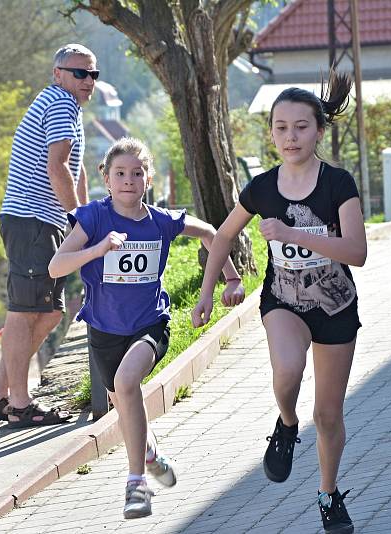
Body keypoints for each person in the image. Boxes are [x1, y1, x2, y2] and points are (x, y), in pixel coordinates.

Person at [192, 71, 366, 534]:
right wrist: (209, 291)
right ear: (271, 132)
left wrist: (292, 233)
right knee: (287, 372)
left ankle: (328, 495)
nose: (291, 137)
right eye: (281, 127)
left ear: (319, 131)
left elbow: (357, 252)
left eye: (301, 127)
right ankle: (285, 423)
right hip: (284, 300)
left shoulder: (337, 184)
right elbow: (223, 235)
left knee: (328, 415)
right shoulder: (262, 187)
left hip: (334, 306)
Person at [49, 137, 245, 518]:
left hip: (150, 325)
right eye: (120, 173)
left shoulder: (161, 221)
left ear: (148, 179)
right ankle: (150, 452)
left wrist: (232, 278)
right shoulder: (92, 218)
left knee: (126, 384)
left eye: (136, 174)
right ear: (106, 178)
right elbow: (56, 267)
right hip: (105, 331)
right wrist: (98, 249)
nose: (128, 181)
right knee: (122, 401)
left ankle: (136, 485)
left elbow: (211, 234)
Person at [0, 44, 97, 427]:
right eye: (80, 73)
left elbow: (75, 170)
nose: (88, 81)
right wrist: (78, 218)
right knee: (28, 313)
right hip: (33, 220)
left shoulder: (68, 107)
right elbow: (57, 167)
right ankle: (19, 404)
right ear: (57, 73)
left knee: (47, 311)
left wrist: (87, 215)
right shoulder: (61, 104)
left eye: (93, 74)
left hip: (39, 221)